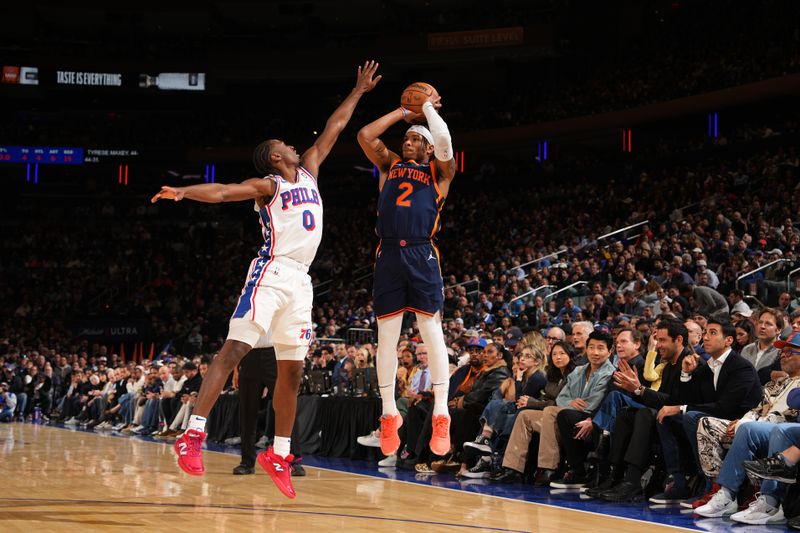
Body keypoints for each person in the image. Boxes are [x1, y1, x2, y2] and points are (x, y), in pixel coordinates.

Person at [150, 61, 381, 499]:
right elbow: (221, 191)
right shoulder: (268, 185)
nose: (296, 146)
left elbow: (334, 127)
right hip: (271, 273)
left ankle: (278, 452)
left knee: (292, 372)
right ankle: (192, 435)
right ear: (276, 156)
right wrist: (183, 192)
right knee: (234, 349)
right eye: (285, 145)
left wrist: (357, 91)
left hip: (301, 283)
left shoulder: (310, 169)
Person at [356, 83, 456, 458]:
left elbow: (444, 140)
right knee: (387, 337)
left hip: (421, 253)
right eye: (407, 138)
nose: (408, 141)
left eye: (415, 139)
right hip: (389, 254)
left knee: (431, 330)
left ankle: (442, 412)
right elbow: (365, 135)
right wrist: (404, 112)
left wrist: (428, 110)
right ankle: (387, 414)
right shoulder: (389, 165)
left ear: (428, 148)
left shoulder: (440, 172)